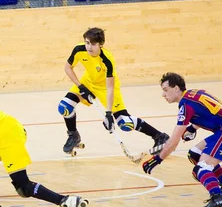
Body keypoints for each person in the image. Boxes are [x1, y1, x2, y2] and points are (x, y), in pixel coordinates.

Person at [142, 72, 222, 207]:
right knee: (195, 154)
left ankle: (218, 197)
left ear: (176, 88)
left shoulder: (185, 106)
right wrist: (193, 128)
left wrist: (158, 159)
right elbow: (212, 111)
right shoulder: (195, 93)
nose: (163, 94)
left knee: (200, 168)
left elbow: (174, 141)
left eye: (165, 90)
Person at [58, 27, 169, 155]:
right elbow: (67, 68)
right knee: (65, 106)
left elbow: (110, 87)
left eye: (93, 44)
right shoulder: (79, 49)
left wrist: (108, 114)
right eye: (87, 42)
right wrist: (81, 86)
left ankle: (160, 136)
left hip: (106, 87)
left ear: (101, 45)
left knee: (124, 123)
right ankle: (73, 135)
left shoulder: (107, 59)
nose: (89, 47)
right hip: (88, 82)